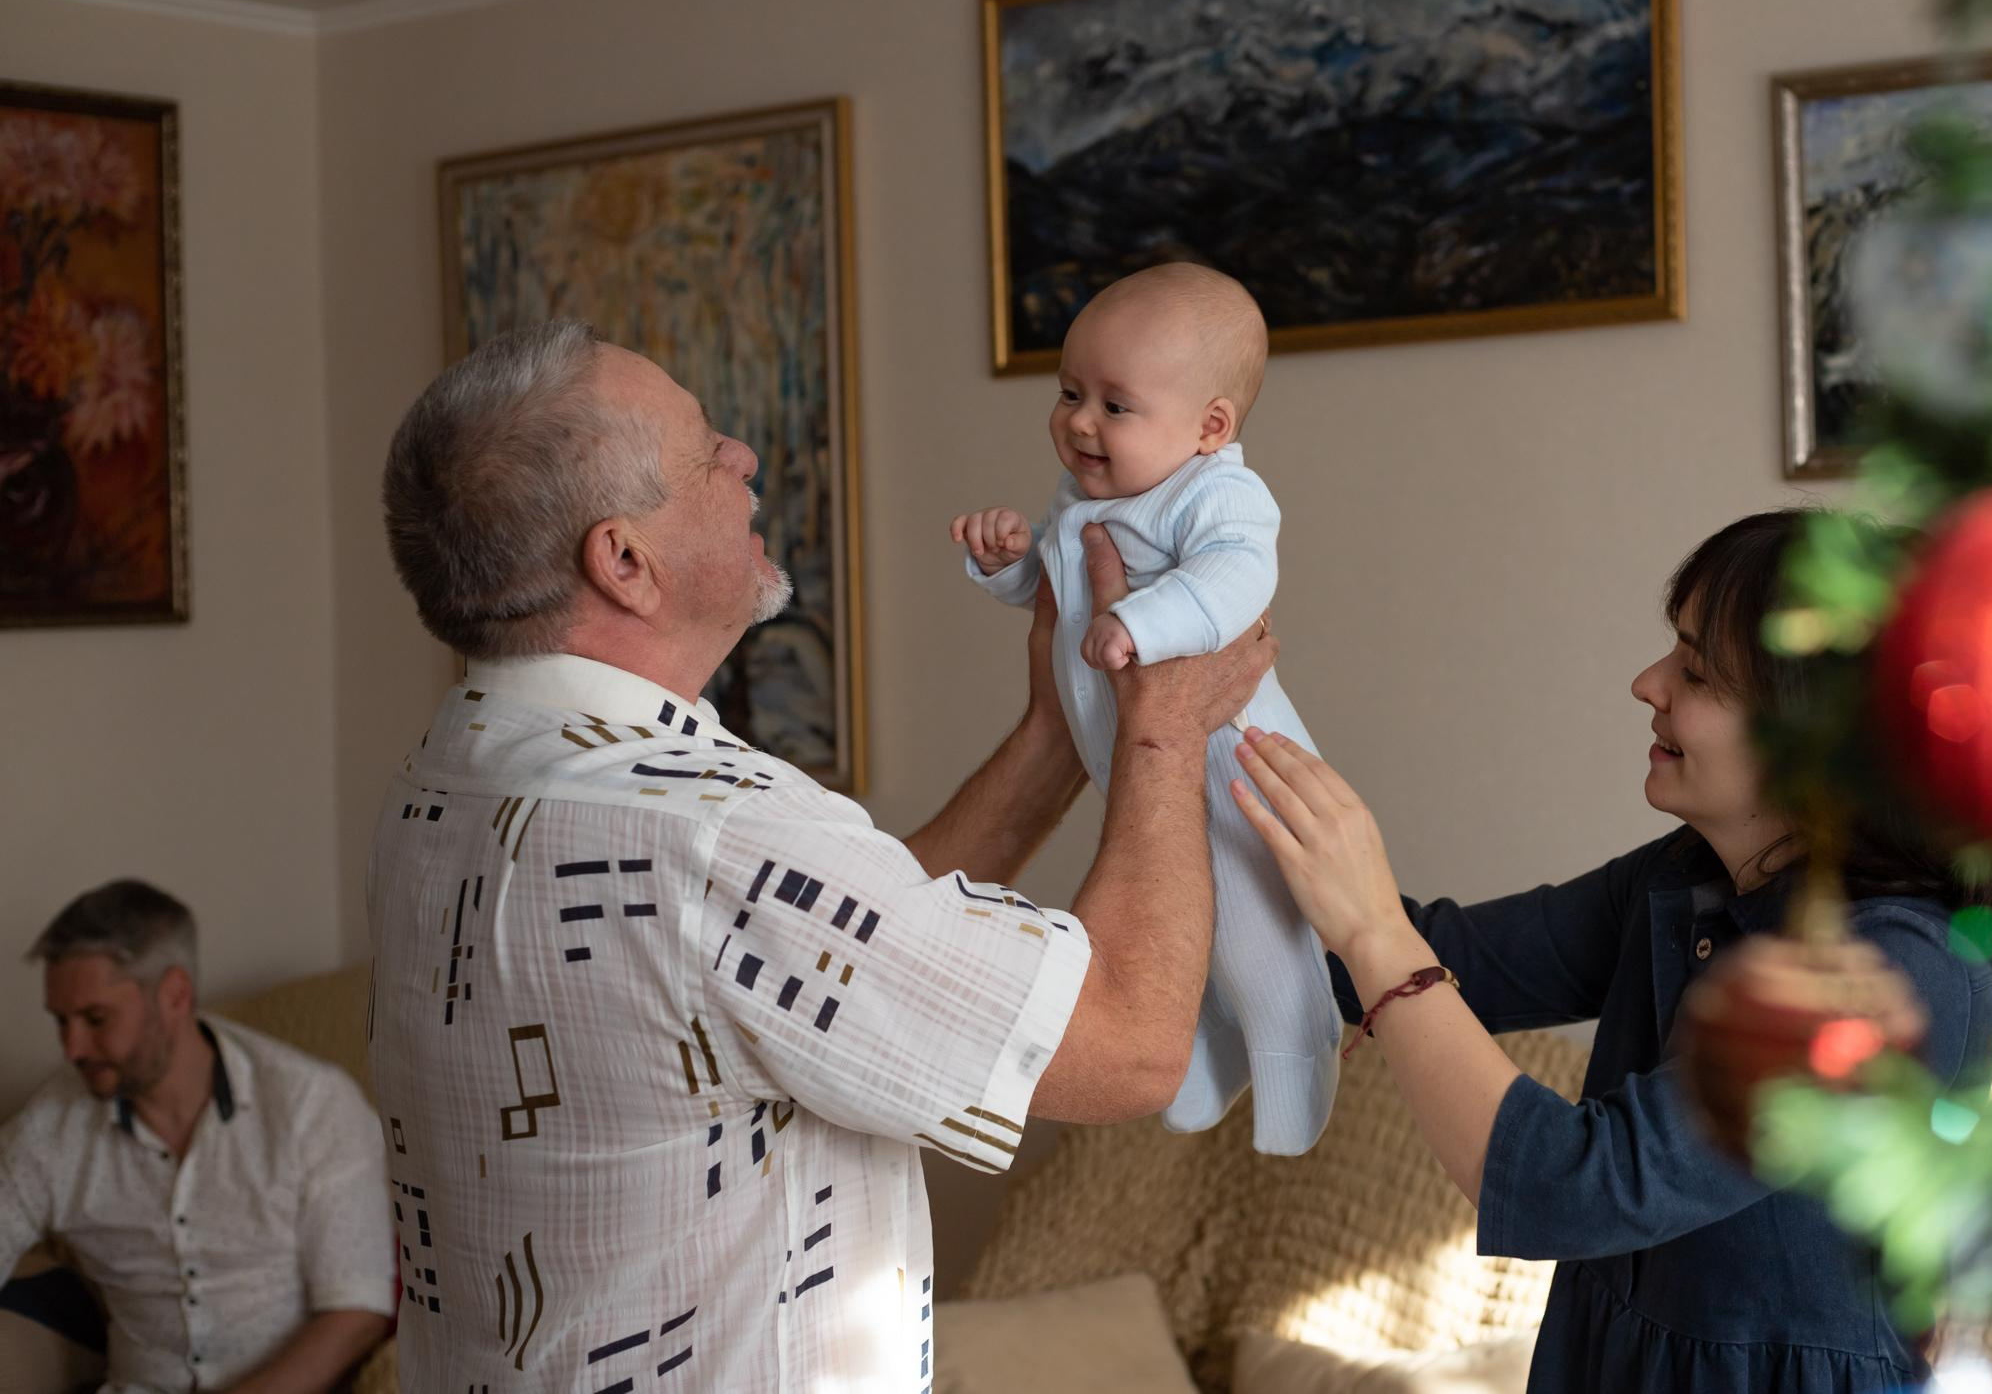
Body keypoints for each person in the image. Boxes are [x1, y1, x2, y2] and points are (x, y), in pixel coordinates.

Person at [370, 317, 1271, 1391]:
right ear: (623, 561)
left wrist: (1054, 733)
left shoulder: (450, 776)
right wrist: (1160, 733)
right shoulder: (709, 837)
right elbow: (1128, 1045)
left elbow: (841, 947)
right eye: (708, 450)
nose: (744, 458)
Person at [1226, 510, 1992, 1394]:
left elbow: (1574, 1186)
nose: (1646, 682)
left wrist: (1373, 933)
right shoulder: (1684, 880)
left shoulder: (1896, 971)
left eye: (1696, 671)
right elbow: (1448, 957)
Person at [951, 263, 1338, 1155]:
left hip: (1234, 759)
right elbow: (1056, 587)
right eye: (1069, 392)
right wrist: (1007, 562)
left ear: (1210, 426)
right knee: (1169, 934)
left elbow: (1241, 576)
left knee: (1250, 926)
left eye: (1114, 405)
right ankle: (1204, 1056)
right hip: (1128, 758)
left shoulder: (1218, 493)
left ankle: (1298, 1049)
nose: (1080, 420)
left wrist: (1142, 620)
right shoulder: (1092, 495)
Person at [0, 881, 393, 1393]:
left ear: (174, 996)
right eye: (61, 1021)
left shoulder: (312, 1106)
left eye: (96, 1019)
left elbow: (356, 1311)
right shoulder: (51, 1128)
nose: (73, 1047)